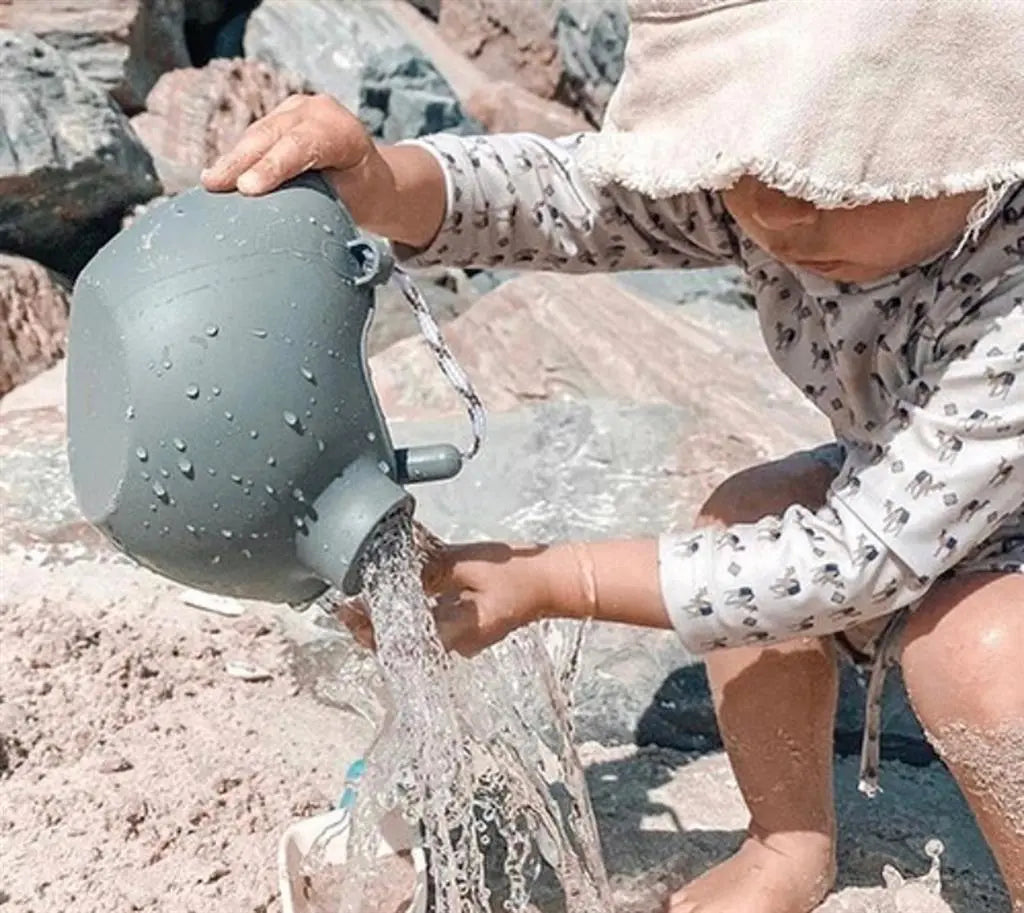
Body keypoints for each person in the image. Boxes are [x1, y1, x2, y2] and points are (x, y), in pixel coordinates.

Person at [203, 2, 1024, 909]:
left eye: (829, 170)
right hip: (945, 509)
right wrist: (383, 182)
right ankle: (787, 845)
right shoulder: (782, 204)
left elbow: (852, 559)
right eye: (734, 161)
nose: (771, 206)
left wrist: (561, 578)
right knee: (747, 514)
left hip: (968, 544)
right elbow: (577, 201)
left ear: (968, 130)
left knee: (980, 655)